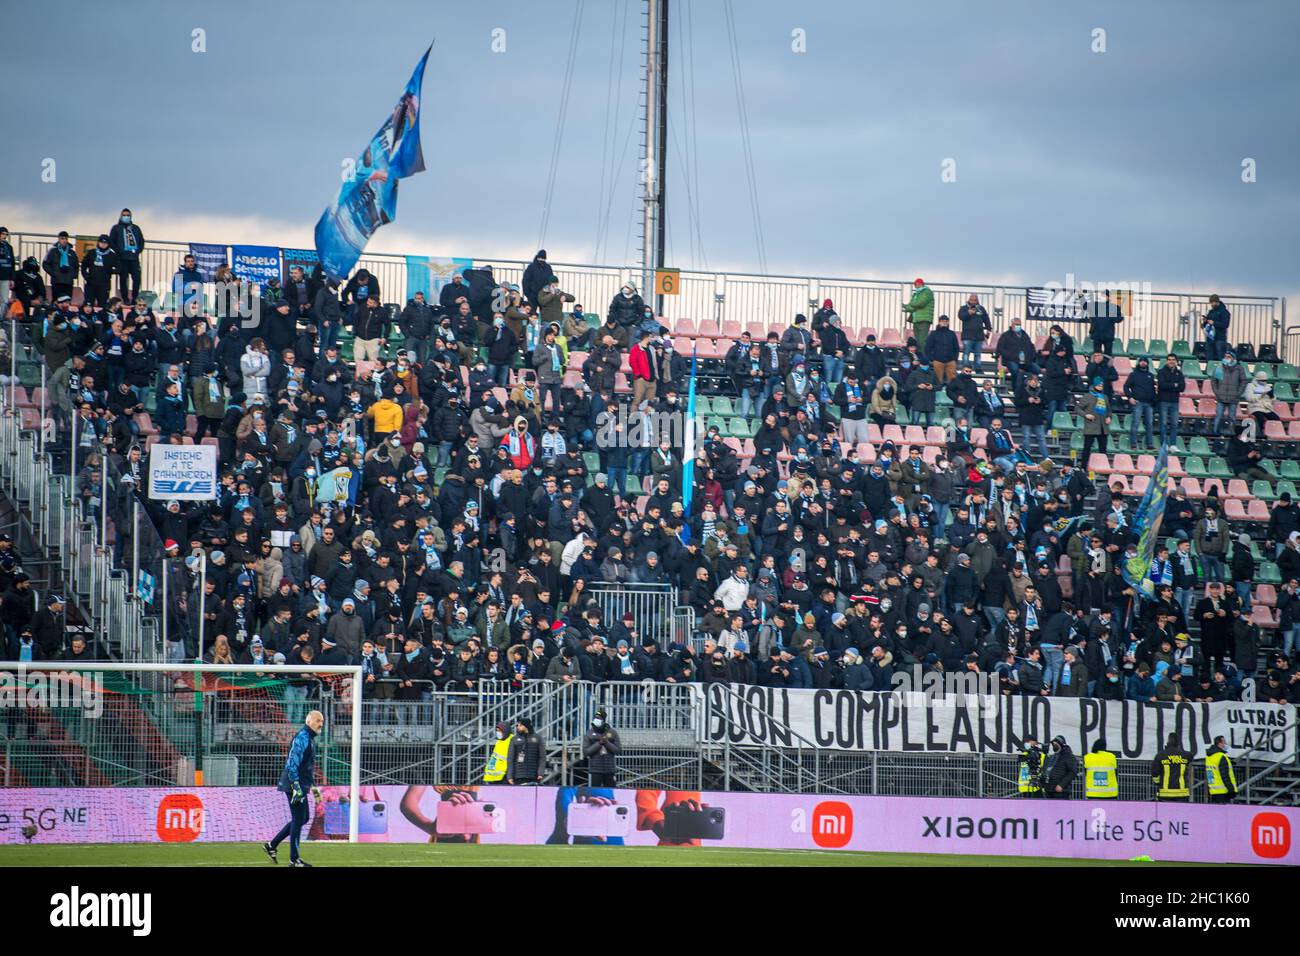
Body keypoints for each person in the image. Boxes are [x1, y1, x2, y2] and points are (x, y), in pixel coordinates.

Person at [264, 709, 323, 867]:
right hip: (294, 784)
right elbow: (291, 764)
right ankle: (294, 859)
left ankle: (272, 845)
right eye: (318, 721)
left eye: (322, 722)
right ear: (309, 721)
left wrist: (314, 788)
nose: (320, 724)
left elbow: (308, 767)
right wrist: (296, 786)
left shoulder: (309, 738)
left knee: (303, 818)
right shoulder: (302, 737)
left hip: (300, 784)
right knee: (298, 819)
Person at [581, 706, 621, 786]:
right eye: (595, 718)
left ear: (603, 720)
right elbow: (586, 752)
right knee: (595, 792)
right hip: (595, 770)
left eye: (599, 718)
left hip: (610, 769)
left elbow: (618, 750)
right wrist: (599, 743)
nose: (596, 720)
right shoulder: (589, 733)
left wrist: (607, 743)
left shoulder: (612, 733)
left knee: (609, 792)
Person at [1151, 732, 1192, 802]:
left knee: (1166, 813)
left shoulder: (1160, 755)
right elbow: (1190, 759)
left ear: (1168, 741)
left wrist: (1158, 783)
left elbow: (1154, 772)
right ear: (1178, 743)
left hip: (1165, 794)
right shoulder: (1187, 755)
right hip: (1182, 793)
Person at [506, 715, 546, 785]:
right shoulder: (514, 739)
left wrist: (540, 773)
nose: (518, 727)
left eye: (520, 725)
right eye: (517, 725)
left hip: (534, 776)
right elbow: (510, 759)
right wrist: (509, 776)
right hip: (518, 776)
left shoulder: (538, 738)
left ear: (526, 726)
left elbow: (542, 757)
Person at [957, 293, 992, 372]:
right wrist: (968, 313)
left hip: (979, 336)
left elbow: (986, 319)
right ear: (969, 300)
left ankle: (978, 369)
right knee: (966, 353)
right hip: (967, 335)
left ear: (977, 300)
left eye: (975, 300)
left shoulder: (981, 309)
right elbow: (960, 316)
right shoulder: (964, 308)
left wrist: (989, 329)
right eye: (971, 300)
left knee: (978, 354)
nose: (973, 302)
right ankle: (965, 367)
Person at [1203, 735, 1237, 804]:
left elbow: (1211, 774)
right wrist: (1231, 789)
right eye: (1224, 742)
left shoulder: (1209, 757)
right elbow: (1224, 775)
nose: (1225, 744)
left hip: (1213, 790)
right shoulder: (1221, 756)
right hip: (1224, 791)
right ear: (1220, 743)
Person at [901, 277, 934, 348]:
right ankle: (920, 356)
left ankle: (925, 357)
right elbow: (911, 306)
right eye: (915, 284)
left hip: (924, 319)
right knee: (918, 341)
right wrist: (908, 307)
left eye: (918, 284)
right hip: (915, 320)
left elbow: (921, 303)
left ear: (922, 284)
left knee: (923, 341)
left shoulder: (927, 292)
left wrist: (910, 305)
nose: (917, 286)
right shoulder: (915, 294)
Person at [1041, 734, 1078, 799]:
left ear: (1061, 744)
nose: (1053, 745)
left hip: (1061, 792)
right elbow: (1045, 770)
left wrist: (1061, 785)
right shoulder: (1051, 757)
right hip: (1049, 789)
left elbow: (1072, 772)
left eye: (1055, 744)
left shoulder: (1069, 756)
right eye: (1053, 744)